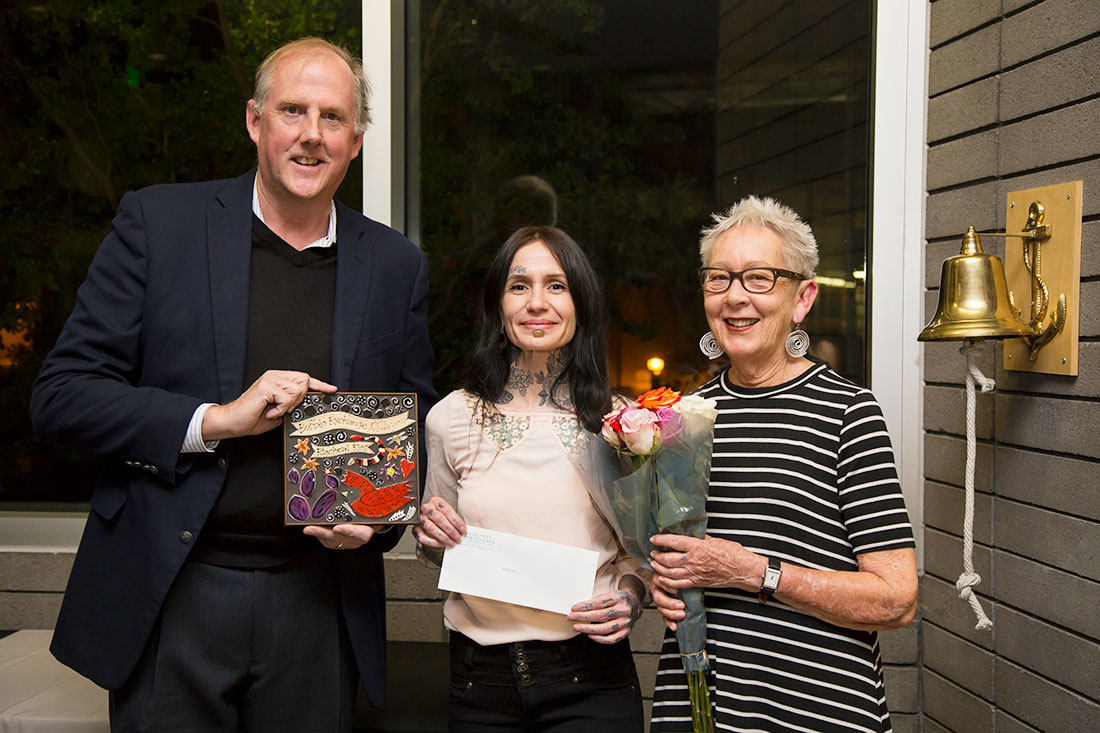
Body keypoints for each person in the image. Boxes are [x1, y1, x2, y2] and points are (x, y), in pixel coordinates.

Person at [29, 37, 436, 731]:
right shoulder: (160, 225)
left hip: (320, 602)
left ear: (357, 140)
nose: (312, 135)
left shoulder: (396, 265)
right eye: (293, 111)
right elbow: (61, 394)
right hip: (175, 588)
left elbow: (414, 418)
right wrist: (214, 419)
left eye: (333, 118)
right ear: (254, 121)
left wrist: (375, 520)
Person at [648, 196, 917, 732]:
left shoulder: (848, 414)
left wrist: (753, 572)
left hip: (817, 709)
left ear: (803, 298)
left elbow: (896, 600)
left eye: (760, 278)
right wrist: (665, 579)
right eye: (718, 279)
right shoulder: (683, 416)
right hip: (698, 705)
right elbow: (680, 550)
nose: (735, 297)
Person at [414, 225, 646, 731]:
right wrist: (431, 534)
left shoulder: (622, 423)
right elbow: (435, 548)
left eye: (556, 285)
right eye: (519, 286)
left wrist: (629, 598)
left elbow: (639, 556)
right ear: (498, 308)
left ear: (581, 305)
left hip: (592, 679)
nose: (537, 302)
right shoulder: (450, 418)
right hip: (480, 683)